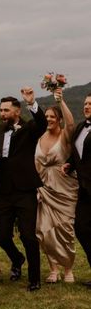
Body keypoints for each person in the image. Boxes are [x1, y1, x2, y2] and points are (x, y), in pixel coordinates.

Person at [0, 87, 47, 292]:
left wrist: (32, 103)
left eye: (6, 110)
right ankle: (17, 258)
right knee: (2, 236)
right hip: (4, 191)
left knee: (28, 236)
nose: (2, 114)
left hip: (25, 191)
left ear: (17, 111)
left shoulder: (30, 129)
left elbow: (42, 123)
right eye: (1, 110)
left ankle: (34, 278)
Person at [35, 89, 78, 283]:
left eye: (53, 117)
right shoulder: (40, 137)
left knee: (65, 229)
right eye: (47, 116)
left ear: (58, 119)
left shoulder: (65, 136)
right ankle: (53, 269)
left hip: (65, 188)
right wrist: (36, 186)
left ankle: (68, 268)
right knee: (45, 230)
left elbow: (71, 123)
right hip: (44, 188)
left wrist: (60, 101)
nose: (49, 119)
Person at [63, 92, 91, 287]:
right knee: (81, 228)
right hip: (84, 188)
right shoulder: (81, 127)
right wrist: (69, 165)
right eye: (86, 103)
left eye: (90, 104)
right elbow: (77, 154)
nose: (87, 106)